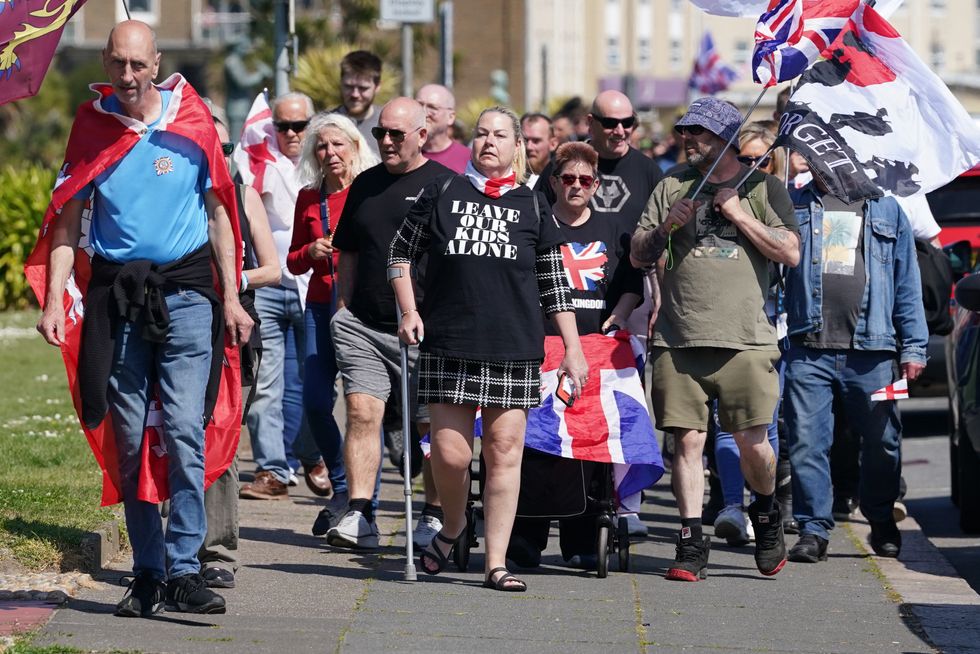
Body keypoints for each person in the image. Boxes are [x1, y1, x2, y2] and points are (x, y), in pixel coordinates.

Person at [35, 21, 253, 615]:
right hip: (116, 301)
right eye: (117, 64)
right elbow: (64, 219)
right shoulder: (93, 128)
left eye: (137, 64)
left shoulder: (192, 119)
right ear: (105, 64)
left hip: (185, 295)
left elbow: (220, 214)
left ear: (157, 63)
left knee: (184, 428)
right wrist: (55, 300)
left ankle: (186, 567)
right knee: (130, 440)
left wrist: (231, 298)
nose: (127, 76)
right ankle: (149, 572)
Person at [388, 105, 588, 592]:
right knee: (450, 456)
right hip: (450, 343)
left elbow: (554, 282)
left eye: (499, 135)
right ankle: (455, 528)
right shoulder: (443, 191)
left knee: (503, 453)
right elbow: (399, 254)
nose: (487, 142)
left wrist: (573, 348)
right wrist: (409, 311)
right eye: (480, 134)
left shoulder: (533, 203)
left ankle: (496, 563)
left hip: (513, 347)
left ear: (516, 145)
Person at [630, 97, 801, 581]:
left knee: (753, 443)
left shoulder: (763, 187)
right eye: (686, 131)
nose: (690, 140)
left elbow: (790, 252)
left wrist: (740, 215)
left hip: (745, 339)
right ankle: (689, 542)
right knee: (687, 442)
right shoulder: (673, 185)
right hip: (679, 338)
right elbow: (639, 253)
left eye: (700, 133)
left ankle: (765, 514)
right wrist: (667, 227)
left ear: (726, 137)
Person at [508, 141, 643, 569]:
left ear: (596, 185)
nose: (577, 186)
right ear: (553, 183)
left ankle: (581, 537)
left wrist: (619, 315)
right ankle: (524, 536)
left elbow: (630, 284)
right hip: (539, 348)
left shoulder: (612, 230)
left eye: (586, 180)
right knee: (534, 440)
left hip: (594, 350)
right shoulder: (534, 224)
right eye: (568, 179)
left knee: (589, 440)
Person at [326, 98, 454, 548]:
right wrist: (342, 307)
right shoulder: (365, 184)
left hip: (426, 330)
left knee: (430, 427)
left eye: (396, 134)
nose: (385, 141)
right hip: (364, 324)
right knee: (362, 412)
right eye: (381, 132)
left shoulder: (445, 186)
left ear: (423, 134)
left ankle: (436, 513)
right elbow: (350, 251)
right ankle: (361, 514)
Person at [783, 178, 927, 563]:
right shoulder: (793, 203)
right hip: (807, 347)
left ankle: (880, 518)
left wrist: (914, 346)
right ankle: (814, 529)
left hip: (873, 351)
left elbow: (906, 281)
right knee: (807, 443)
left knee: (883, 441)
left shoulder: (885, 207)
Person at [197, 101, 280, 589]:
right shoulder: (175, 192)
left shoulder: (245, 195)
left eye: (225, 144)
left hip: (234, 330)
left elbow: (273, 268)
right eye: (208, 142)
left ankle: (216, 547)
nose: (219, 152)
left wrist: (229, 280)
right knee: (174, 432)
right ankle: (174, 541)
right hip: (174, 324)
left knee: (221, 435)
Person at [287, 112, 379, 535]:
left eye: (338, 144)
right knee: (315, 401)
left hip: (361, 310)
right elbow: (290, 260)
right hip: (320, 307)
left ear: (355, 146)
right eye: (322, 146)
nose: (330, 153)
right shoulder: (309, 196)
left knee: (364, 411)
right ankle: (342, 487)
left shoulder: (371, 191)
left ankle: (363, 506)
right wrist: (311, 251)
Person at [587, 90, 664, 535]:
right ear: (591, 122)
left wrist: (658, 300)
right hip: (576, 297)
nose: (620, 131)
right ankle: (577, 490)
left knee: (628, 403)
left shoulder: (647, 170)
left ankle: (627, 502)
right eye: (610, 123)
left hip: (634, 298)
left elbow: (662, 240)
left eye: (627, 123)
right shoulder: (573, 164)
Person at [238, 92, 320, 501]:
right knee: (266, 385)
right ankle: (271, 469)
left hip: (313, 286)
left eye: (299, 126)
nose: (290, 134)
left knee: (316, 382)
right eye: (282, 126)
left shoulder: (325, 160)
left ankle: (312, 453)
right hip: (270, 287)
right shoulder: (258, 159)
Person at [333, 50, 383, 156]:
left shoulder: (388, 127)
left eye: (363, 88)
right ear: (341, 83)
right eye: (349, 87)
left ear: (377, 86)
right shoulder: (324, 125)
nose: (355, 94)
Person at [416, 83, 470, 173]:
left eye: (432, 107)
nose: (424, 112)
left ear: (451, 117)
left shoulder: (469, 160)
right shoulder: (403, 154)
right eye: (419, 105)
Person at [520, 112, 557, 192]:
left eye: (536, 141)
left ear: (553, 144)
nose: (529, 147)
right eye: (525, 140)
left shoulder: (560, 183)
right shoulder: (507, 181)